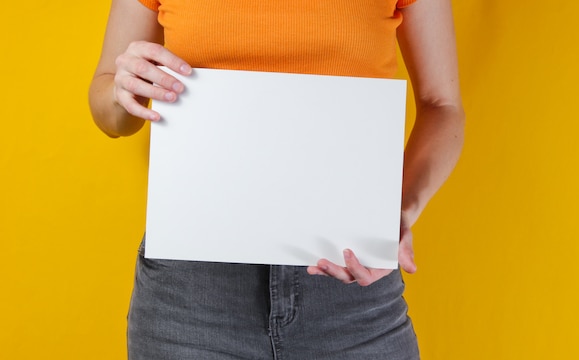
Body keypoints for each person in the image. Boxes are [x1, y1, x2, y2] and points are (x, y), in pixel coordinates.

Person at [89, 0, 464, 359]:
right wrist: (123, 92)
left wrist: (398, 211)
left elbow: (441, 105)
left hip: (349, 281)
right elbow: (107, 104)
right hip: (192, 292)